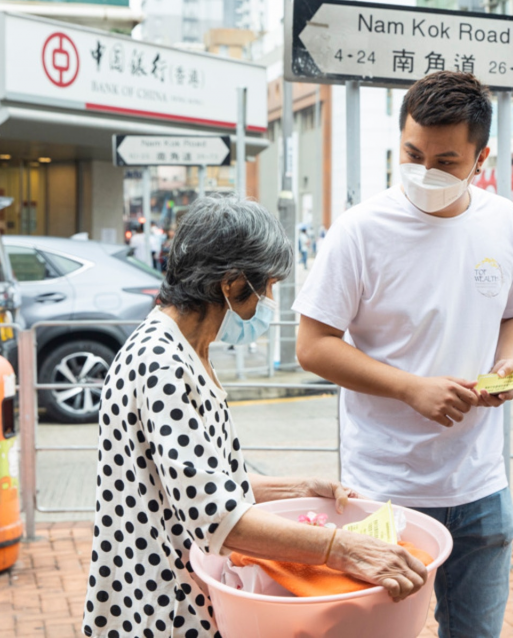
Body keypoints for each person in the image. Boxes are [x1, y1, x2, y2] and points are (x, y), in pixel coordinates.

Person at [82, 196, 427, 638]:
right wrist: (341, 549)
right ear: (231, 283)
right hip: (163, 606)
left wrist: (295, 488)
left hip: (176, 592)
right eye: (267, 286)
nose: (269, 300)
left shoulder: (184, 351)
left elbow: (200, 481)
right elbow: (214, 517)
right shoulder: (162, 363)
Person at [294, 71, 513, 637]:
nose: (424, 172)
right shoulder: (359, 231)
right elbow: (312, 347)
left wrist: (507, 364)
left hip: (482, 486)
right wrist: (412, 387)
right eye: (412, 153)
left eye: (446, 162)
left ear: (482, 159)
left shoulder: (503, 221)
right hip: (385, 491)